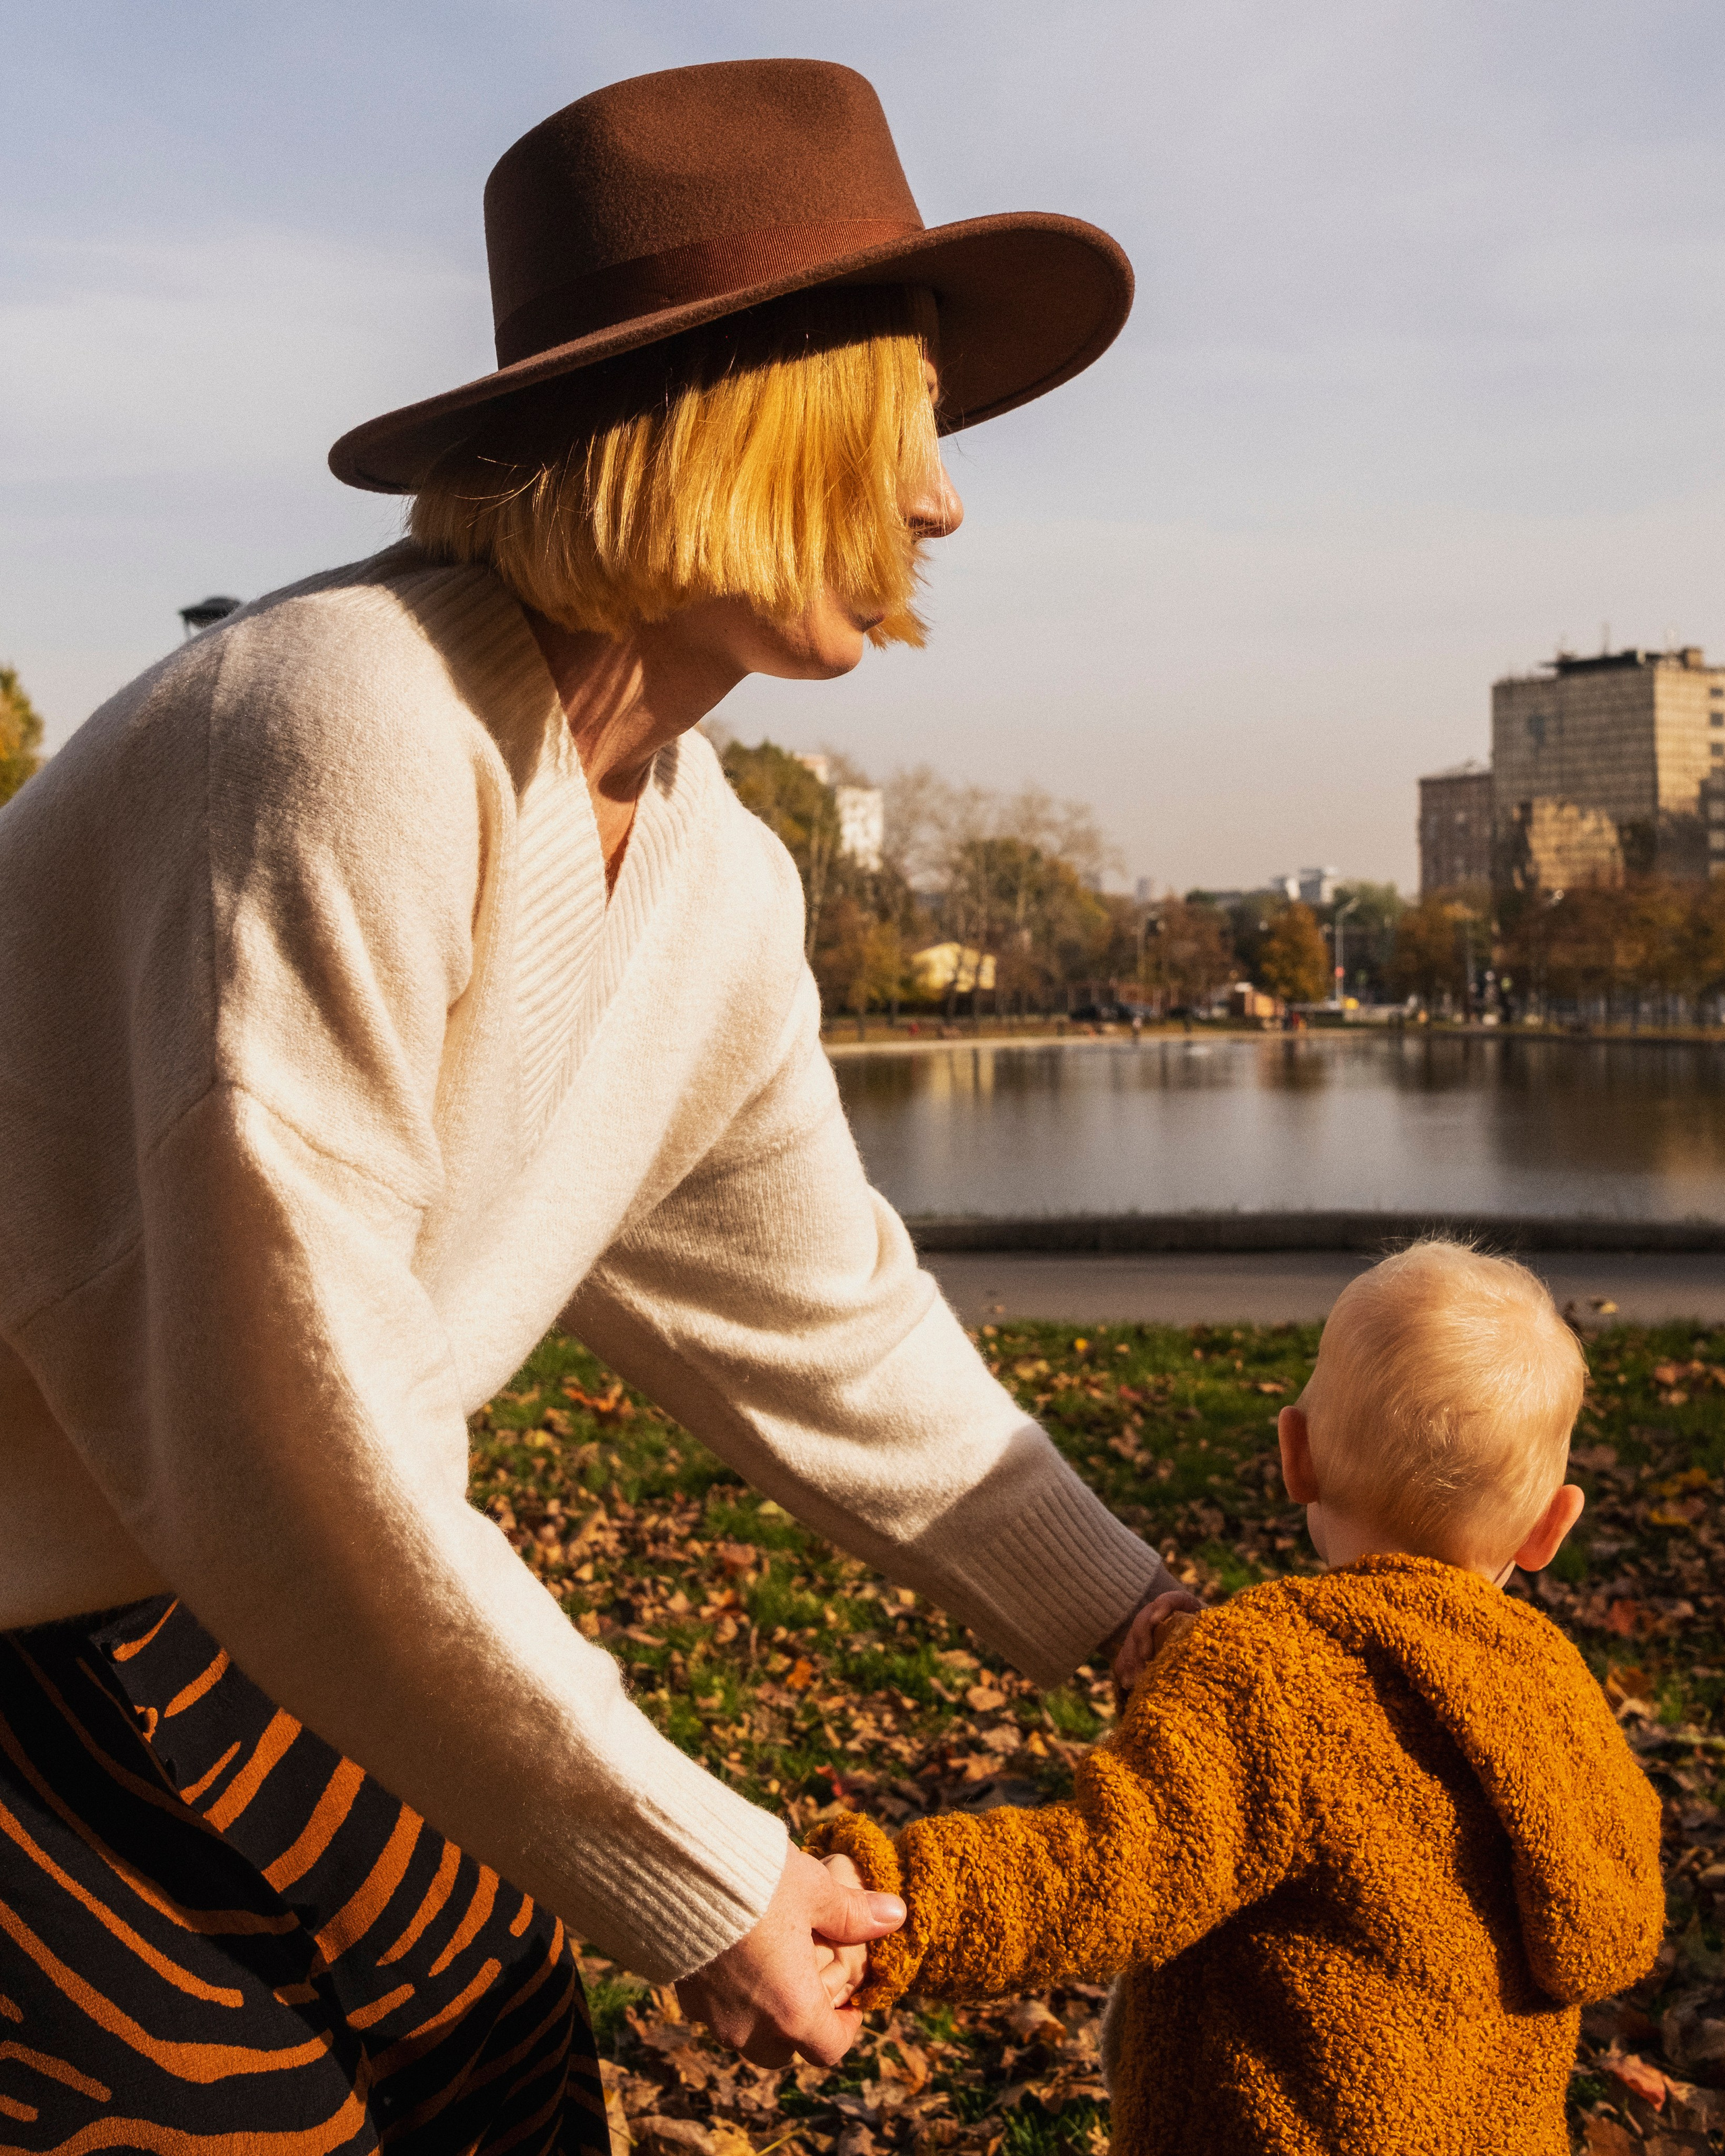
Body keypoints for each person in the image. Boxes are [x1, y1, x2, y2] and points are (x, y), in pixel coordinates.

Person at [0, 57, 1190, 2143]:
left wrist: (1154, 1627)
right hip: (53, 1609)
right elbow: (292, 1433)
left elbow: (822, 1325)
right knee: (228, 2119)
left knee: (504, 2067)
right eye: (904, 415)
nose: (944, 499)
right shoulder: (336, 726)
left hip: (200, 1586)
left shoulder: (716, 865)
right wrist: (703, 1869)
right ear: (735, 417)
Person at [811, 1240, 1666, 2156]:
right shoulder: (1560, 1695)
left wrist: (895, 1907)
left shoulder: (1271, 1676)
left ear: (1295, 1453)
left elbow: (1112, 1869)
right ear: (1549, 1527)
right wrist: (1179, 1681)